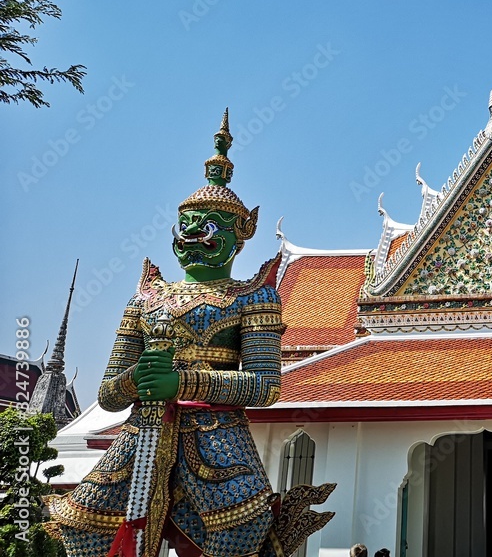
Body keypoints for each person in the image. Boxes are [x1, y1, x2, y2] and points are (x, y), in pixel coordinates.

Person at [46, 114, 333, 557]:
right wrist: (137, 378)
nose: (196, 233)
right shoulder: (146, 298)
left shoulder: (254, 298)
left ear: (241, 236)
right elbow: (107, 396)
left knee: (242, 529)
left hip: (217, 436)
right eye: (190, 222)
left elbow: (265, 386)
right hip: (140, 435)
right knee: (84, 527)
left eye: (211, 224)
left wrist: (182, 383)